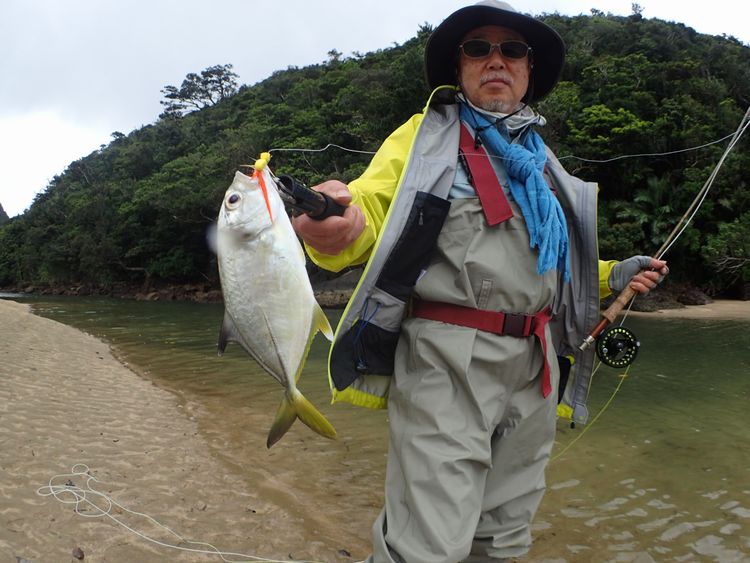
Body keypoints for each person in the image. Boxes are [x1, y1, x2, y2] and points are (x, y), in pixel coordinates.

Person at [293, 1, 668, 561]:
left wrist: (615, 274)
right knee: (428, 543)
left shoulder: (542, 163)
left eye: (512, 50)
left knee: (504, 538)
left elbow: (552, 260)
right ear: (459, 65)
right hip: (447, 358)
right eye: (479, 48)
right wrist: (335, 228)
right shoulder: (424, 136)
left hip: (537, 365)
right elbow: (369, 208)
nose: (497, 59)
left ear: (528, 71)